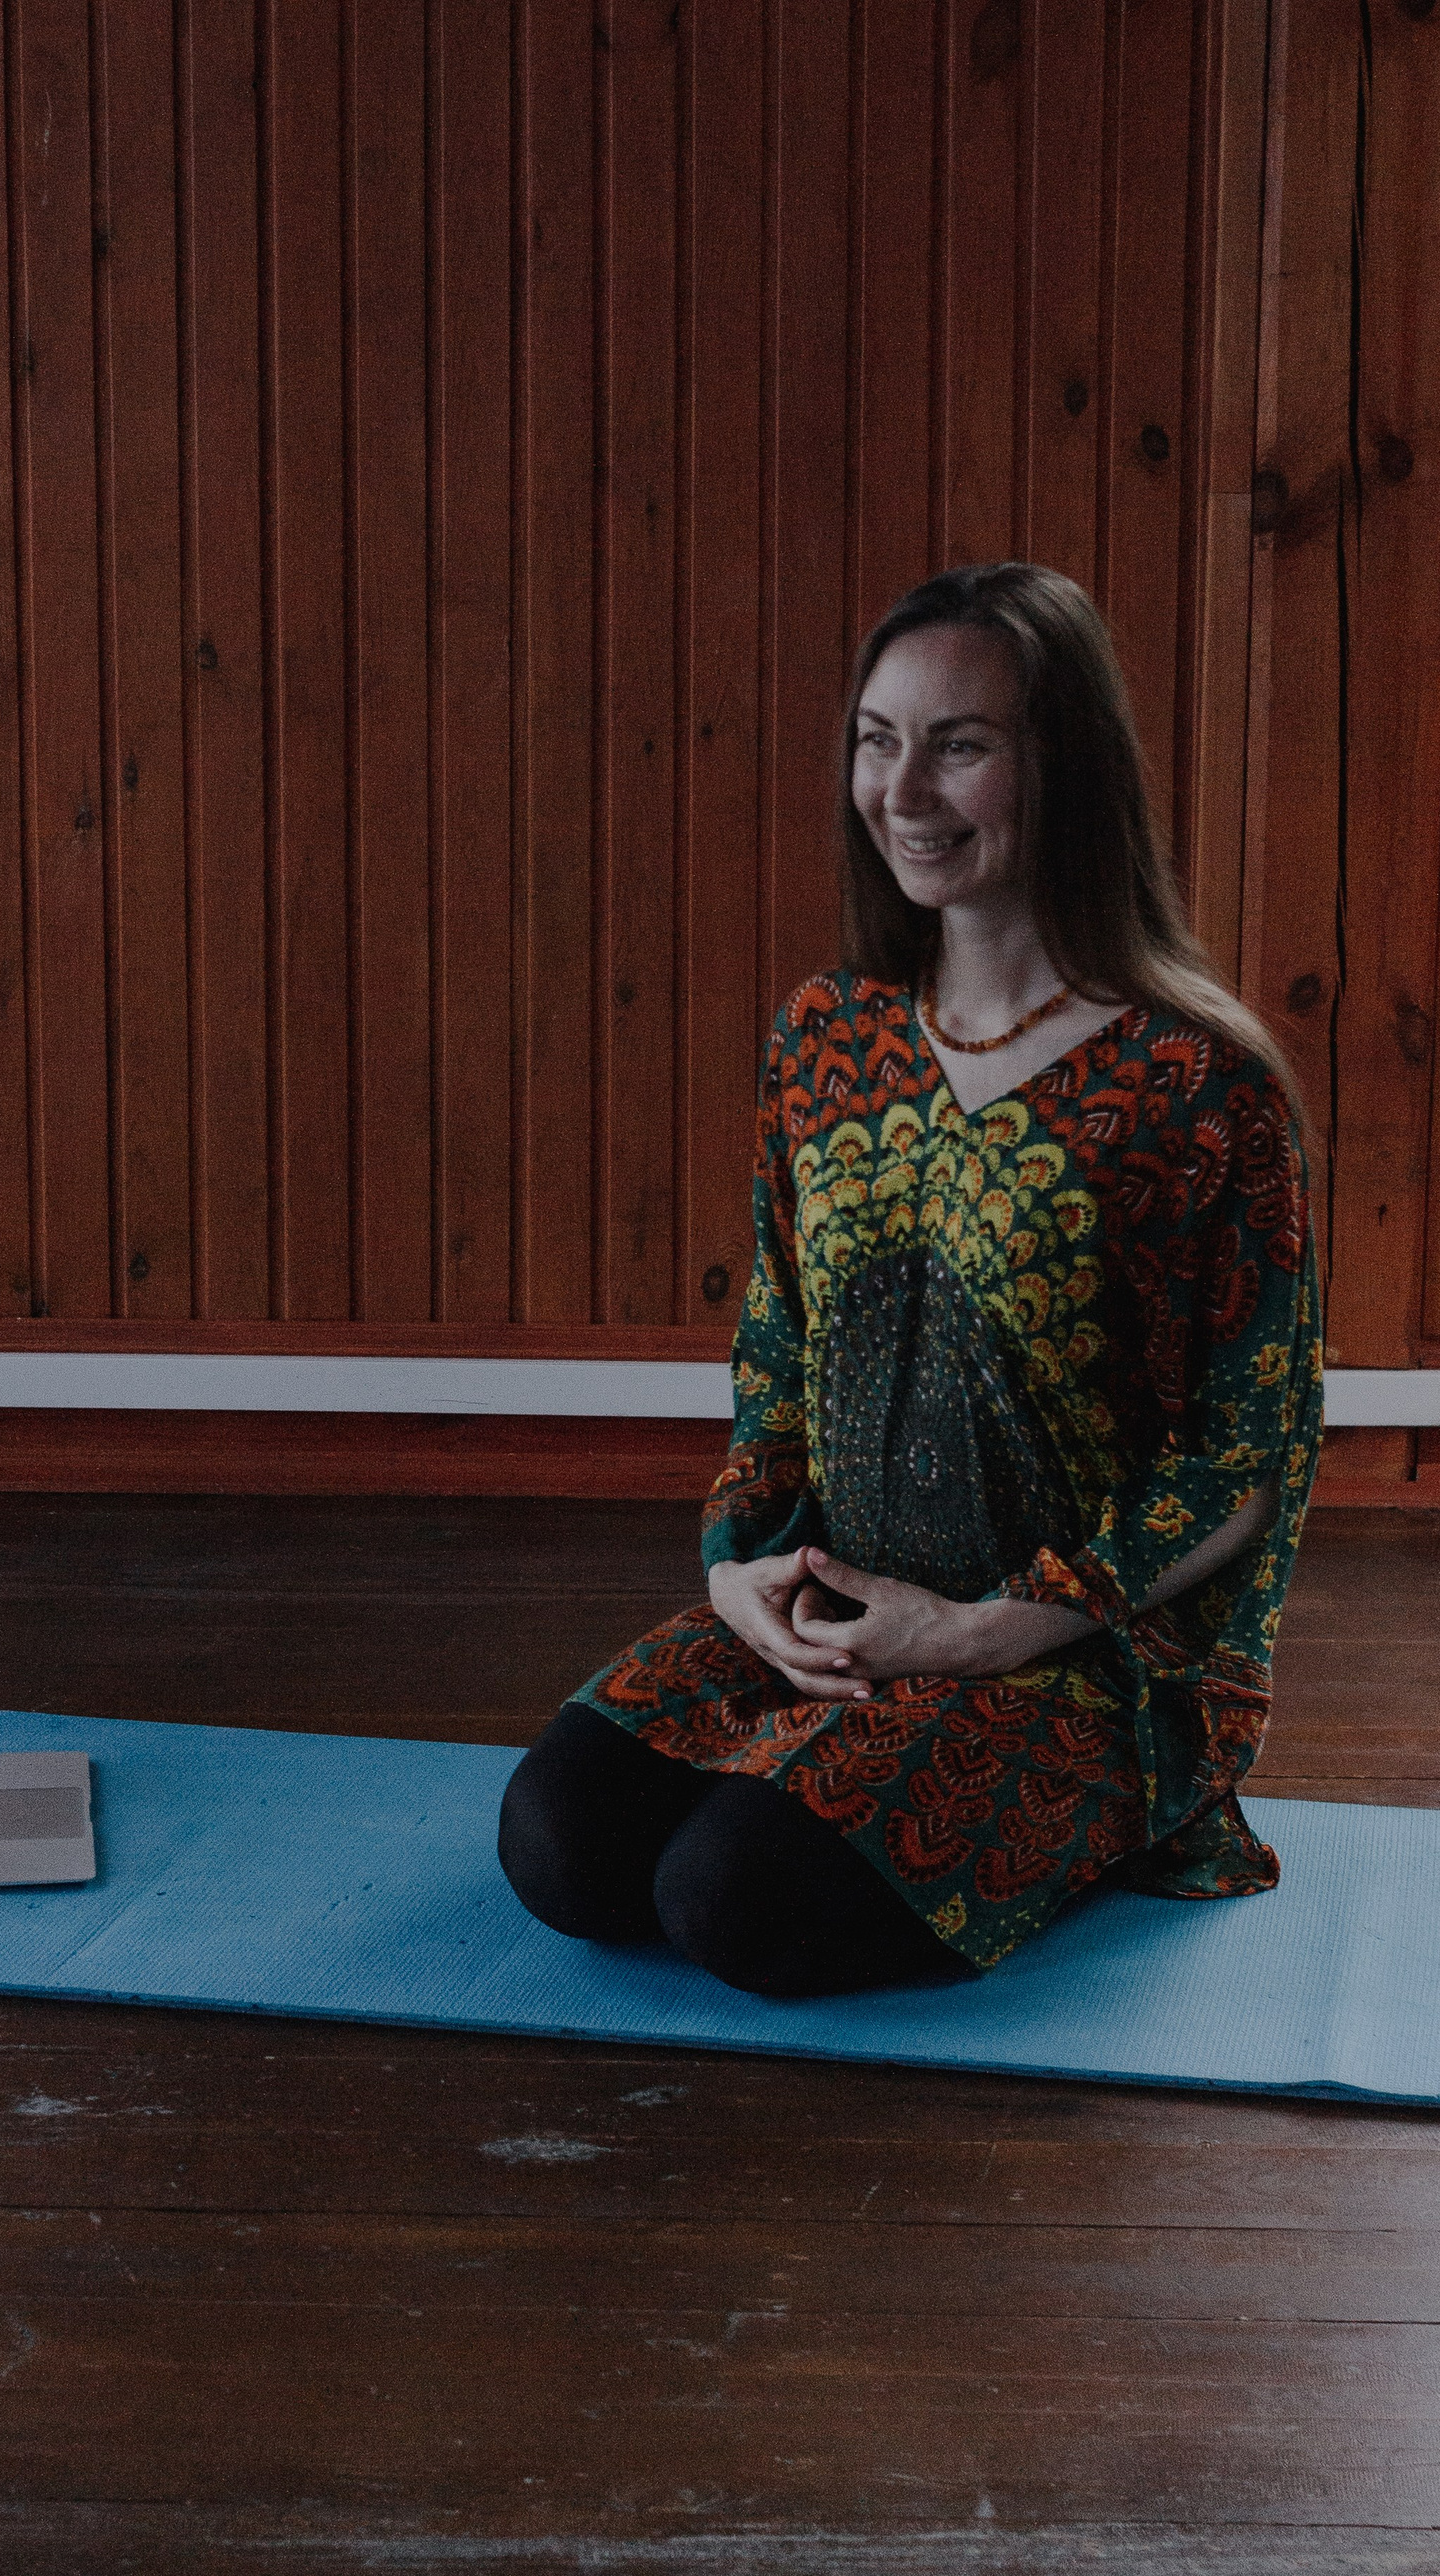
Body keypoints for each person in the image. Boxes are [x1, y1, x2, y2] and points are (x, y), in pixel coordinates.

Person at [498, 561, 1323, 1996]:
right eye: (879, 741)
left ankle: (1101, 1815)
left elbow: (1247, 1456)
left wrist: (992, 1629)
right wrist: (740, 1571)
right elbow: (777, 1350)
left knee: (731, 1899)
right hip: (840, 1609)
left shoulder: (1196, 1084)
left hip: (1073, 1651)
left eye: (961, 745)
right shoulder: (827, 1036)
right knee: (561, 1848)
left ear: (1064, 765)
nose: (905, 791)